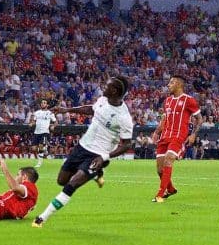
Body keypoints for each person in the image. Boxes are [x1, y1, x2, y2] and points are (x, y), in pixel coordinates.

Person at [32, 76, 133, 228]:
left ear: (114, 91)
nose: (103, 87)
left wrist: (104, 157)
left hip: (98, 155)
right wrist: (68, 110)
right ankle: (97, 174)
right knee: (62, 181)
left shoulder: (124, 118)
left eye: (107, 86)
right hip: (82, 147)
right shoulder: (103, 100)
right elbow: (91, 109)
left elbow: (126, 145)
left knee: (72, 184)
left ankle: (42, 218)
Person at [151, 75, 202, 202]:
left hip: (179, 136)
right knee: (159, 169)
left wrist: (193, 134)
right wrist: (157, 132)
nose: (168, 85)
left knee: (168, 160)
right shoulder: (167, 100)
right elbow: (164, 119)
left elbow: (200, 119)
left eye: (171, 83)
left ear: (179, 85)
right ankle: (171, 189)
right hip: (165, 136)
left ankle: (160, 194)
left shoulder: (188, 100)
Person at [31, 99, 57, 167]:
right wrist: (32, 123)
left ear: (47, 105)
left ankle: (39, 163)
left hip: (45, 132)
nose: (42, 104)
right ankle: (45, 149)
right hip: (37, 132)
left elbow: (55, 122)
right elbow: (34, 121)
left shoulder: (50, 113)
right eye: (42, 103)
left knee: (41, 146)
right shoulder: (36, 112)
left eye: (44, 103)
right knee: (34, 148)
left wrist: (53, 126)